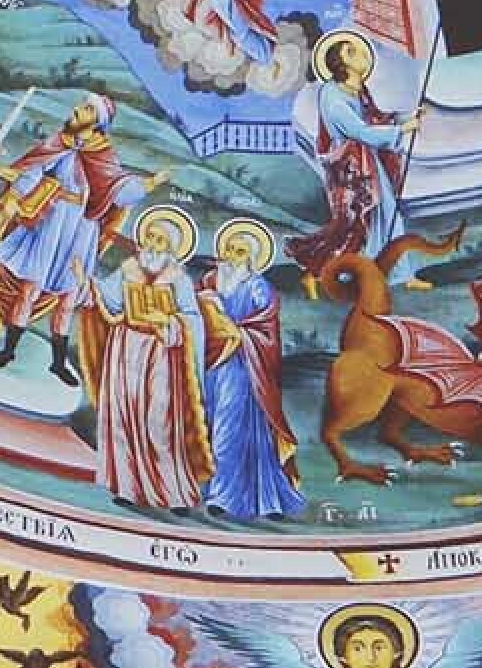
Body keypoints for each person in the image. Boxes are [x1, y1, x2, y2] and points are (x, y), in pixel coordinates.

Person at [0, 98, 135, 384]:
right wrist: (14, 191)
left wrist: (128, 193)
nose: (77, 109)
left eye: (87, 109)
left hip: (81, 231)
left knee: (68, 298)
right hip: (51, 224)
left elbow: (117, 194)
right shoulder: (61, 142)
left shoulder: (106, 158)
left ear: (98, 122)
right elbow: (33, 172)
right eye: (81, 105)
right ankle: (9, 350)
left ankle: (58, 363)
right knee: (30, 288)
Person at [92, 205, 215, 515]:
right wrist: (88, 283)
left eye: (160, 240)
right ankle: (127, 487)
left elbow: (192, 318)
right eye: (149, 237)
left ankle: (173, 493)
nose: (152, 244)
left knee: (159, 420)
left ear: (171, 247)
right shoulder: (128, 268)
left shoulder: (178, 278)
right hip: (125, 347)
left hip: (161, 353)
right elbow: (108, 300)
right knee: (124, 414)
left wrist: (169, 322)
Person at [286, 32, 418, 278]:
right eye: (351, 51)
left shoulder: (358, 89)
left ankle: (397, 273)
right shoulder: (333, 96)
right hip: (352, 168)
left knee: (386, 213)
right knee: (362, 222)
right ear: (341, 62)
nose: (361, 53)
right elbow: (359, 131)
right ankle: (364, 273)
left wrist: (402, 119)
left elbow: (374, 118)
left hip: (368, 161)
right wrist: (402, 130)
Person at [198, 219, 303, 518]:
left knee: (229, 432)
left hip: (245, 369)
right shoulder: (210, 281)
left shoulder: (258, 287)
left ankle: (224, 497)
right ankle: (212, 488)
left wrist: (235, 331)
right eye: (229, 249)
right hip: (214, 366)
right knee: (209, 425)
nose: (232, 256)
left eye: (240, 251)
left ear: (251, 258)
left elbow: (265, 329)